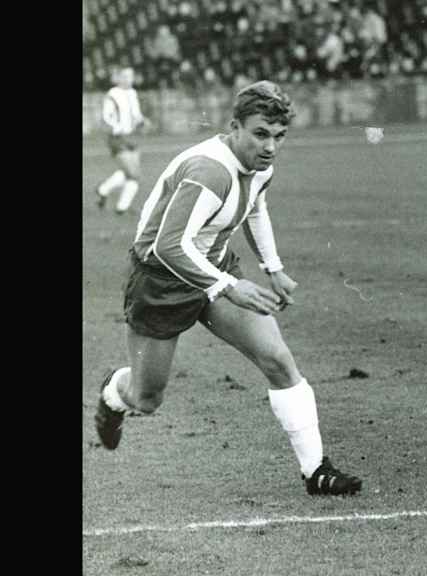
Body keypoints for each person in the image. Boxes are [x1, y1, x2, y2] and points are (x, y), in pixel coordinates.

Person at [93, 81, 362, 496]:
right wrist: (228, 287)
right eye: (260, 134)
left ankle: (317, 471)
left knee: (278, 360)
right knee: (146, 397)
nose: (270, 146)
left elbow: (255, 207)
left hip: (216, 267)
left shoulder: (260, 165)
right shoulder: (210, 172)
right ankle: (113, 393)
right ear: (234, 127)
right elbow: (168, 246)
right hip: (161, 278)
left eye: (279, 136)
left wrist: (273, 268)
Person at [94, 66, 151, 215]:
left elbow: (136, 114)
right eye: (125, 76)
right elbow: (106, 117)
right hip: (118, 138)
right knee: (133, 174)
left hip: (132, 136)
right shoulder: (112, 94)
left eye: (131, 76)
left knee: (130, 172)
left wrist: (142, 121)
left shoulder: (132, 93)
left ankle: (103, 189)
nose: (128, 79)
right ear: (118, 78)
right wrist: (116, 128)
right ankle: (122, 207)